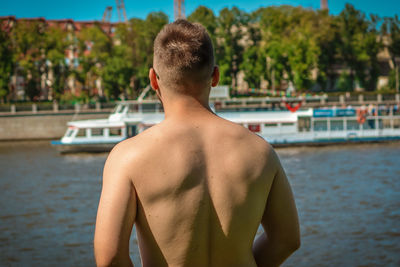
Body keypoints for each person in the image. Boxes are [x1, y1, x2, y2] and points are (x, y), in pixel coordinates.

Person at [94, 19, 300, 267]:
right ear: (215, 76)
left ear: (153, 80)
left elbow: (110, 258)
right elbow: (287, 239)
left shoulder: (128, 157)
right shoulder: (260, 151)